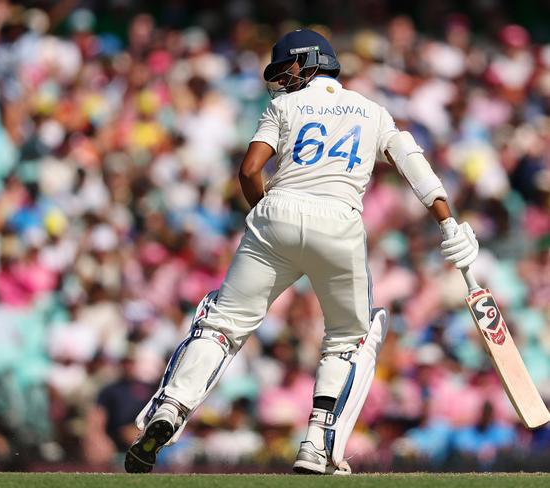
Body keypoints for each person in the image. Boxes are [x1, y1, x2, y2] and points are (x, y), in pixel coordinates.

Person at [124, 28, 479, 475]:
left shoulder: (282, 106)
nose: (281, 80)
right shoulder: (373, 111)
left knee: (221, 324)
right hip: (339, 221)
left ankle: (169, 409)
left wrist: (270, 217)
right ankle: (317, 442)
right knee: (350, 337)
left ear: (310, 61)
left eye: (285, 69)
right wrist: (448, 221)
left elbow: (251, 170)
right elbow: (414, 165)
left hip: (275, 213)